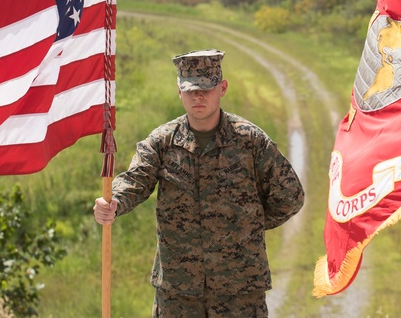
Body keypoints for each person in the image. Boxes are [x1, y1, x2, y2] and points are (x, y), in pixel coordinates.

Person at [94, 49, 305, 317]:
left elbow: (291, 195)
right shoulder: (162, 142)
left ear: (223, 87)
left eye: (206, 87)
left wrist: (247, 225)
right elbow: (135, 180)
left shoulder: (250, 141)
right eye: (190, 89)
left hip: (239, 290)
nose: (199, 96)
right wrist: (113, 202)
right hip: (179, 292)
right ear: (179, 91)